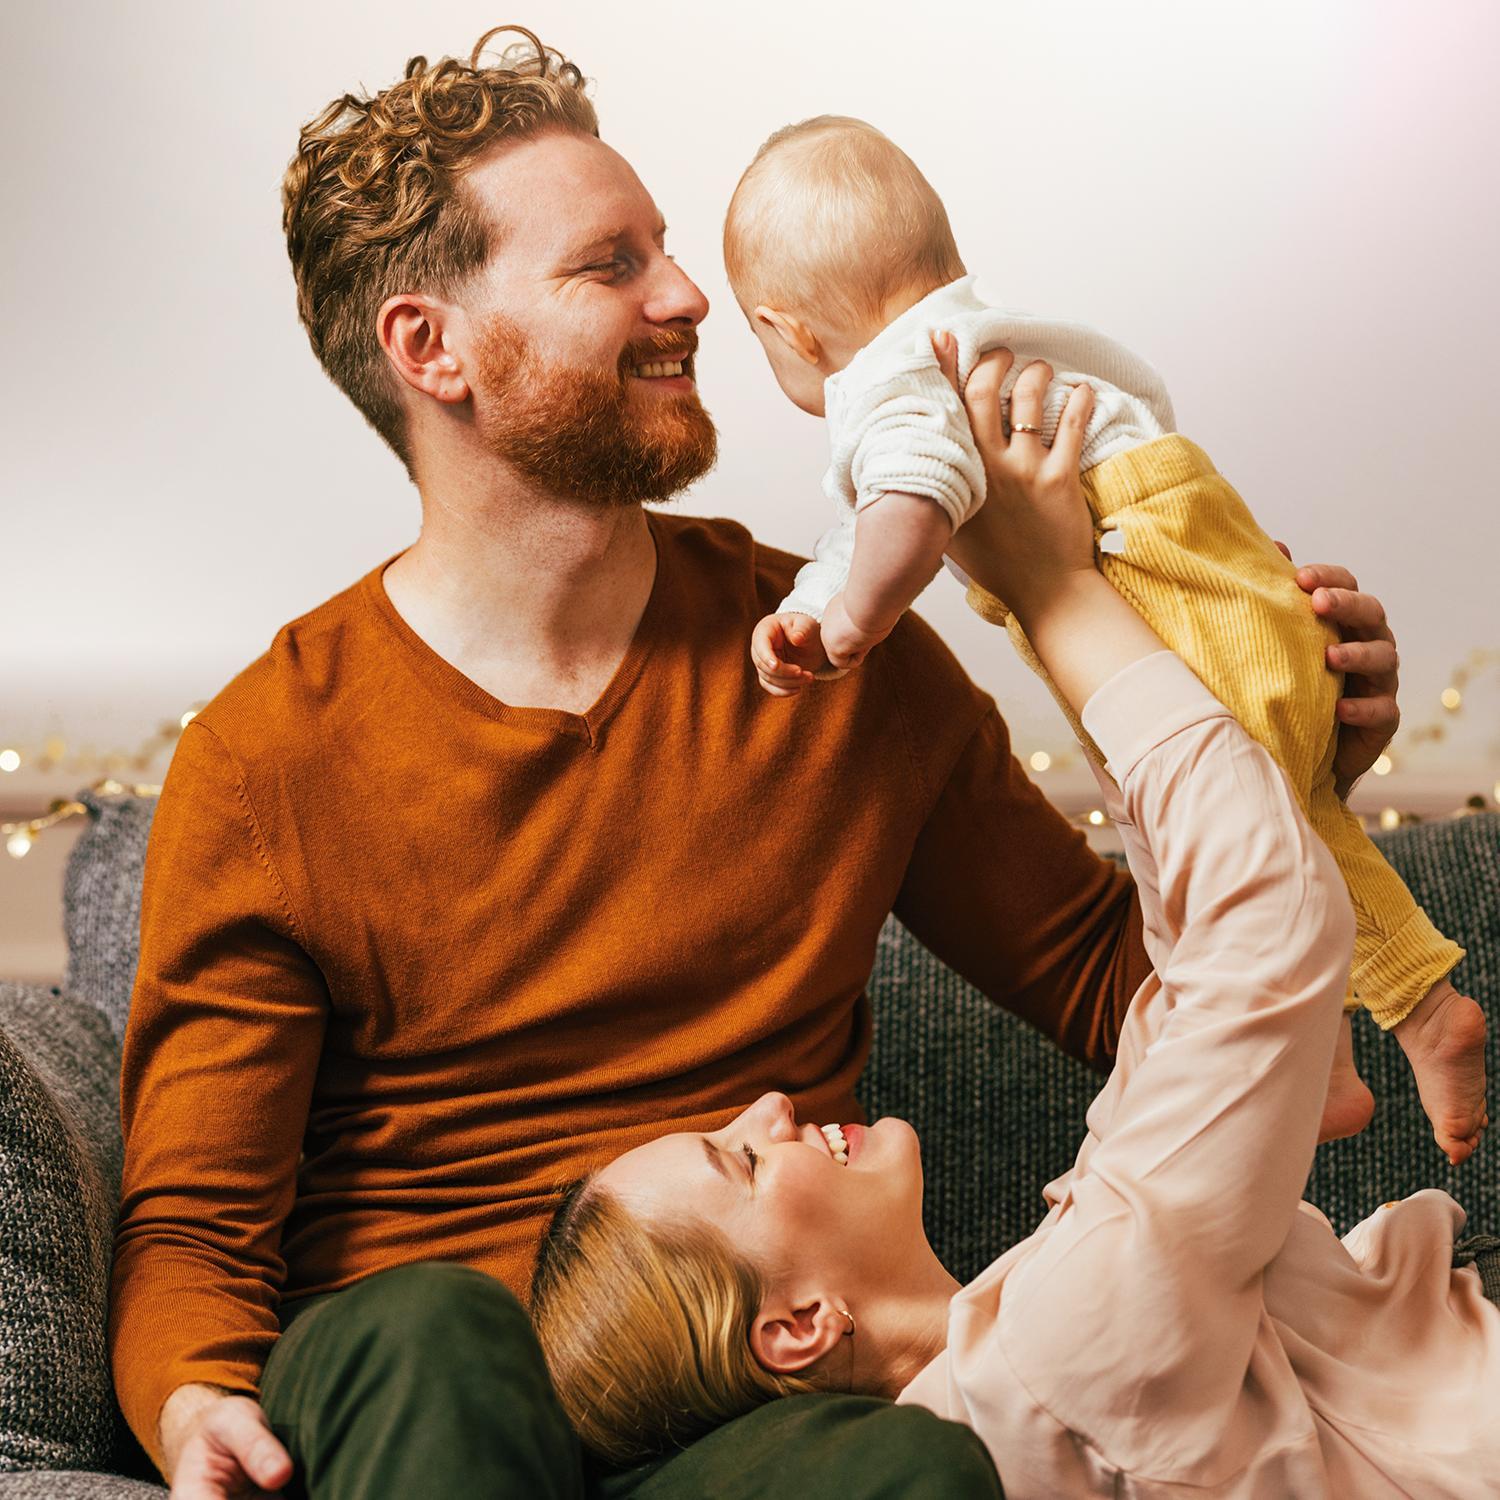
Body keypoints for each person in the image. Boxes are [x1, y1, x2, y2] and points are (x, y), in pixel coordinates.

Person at [108, 25, 1408, 1500]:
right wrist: (193, 1400)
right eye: (610, 266)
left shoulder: (835, 658)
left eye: (665, 250)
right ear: (432, 349)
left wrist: (1291, 776)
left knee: (915, 1470)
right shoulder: (267, 758)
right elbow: (193, 1229)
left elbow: (1125, 989)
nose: (686, 298)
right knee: (439, 1332)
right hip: (421, 1398)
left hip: (734, 1397)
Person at [533, 353, 1500, 1497]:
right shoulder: (1055, 1367)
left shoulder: (1020, 1327)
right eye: (738, 1161)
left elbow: (1195, 989)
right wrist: (1057, 595)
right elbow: (1265, 933)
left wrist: (1264, 758)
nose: (772, 1106)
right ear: (798, 1327)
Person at [728, 114, 1486, 1167]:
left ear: (793, 333)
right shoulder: (994, 335)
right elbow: (861, 525)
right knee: (1253, 826)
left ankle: (1402, 1016)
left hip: (1156, 581)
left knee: (1232, 831)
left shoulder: (890, 378)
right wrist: (810, 600)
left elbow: (901, 501)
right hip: (1212, 555)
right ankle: (1349, 1046)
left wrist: (850, 621)